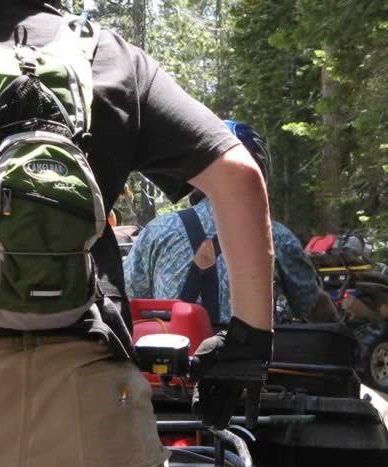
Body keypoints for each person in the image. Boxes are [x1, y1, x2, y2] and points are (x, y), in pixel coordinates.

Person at [0, 3, 351, 467]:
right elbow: (239, 177)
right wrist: (248, 344)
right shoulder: (105, 56)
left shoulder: (158, 234)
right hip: (82, 413)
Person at [124, 119, 338, 325]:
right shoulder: (275, 236)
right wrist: (341, 331)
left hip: (171, 356)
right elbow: (312, 305)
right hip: (246, 360)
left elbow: (129, 295)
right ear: (258, 174)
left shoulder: (158, 230)